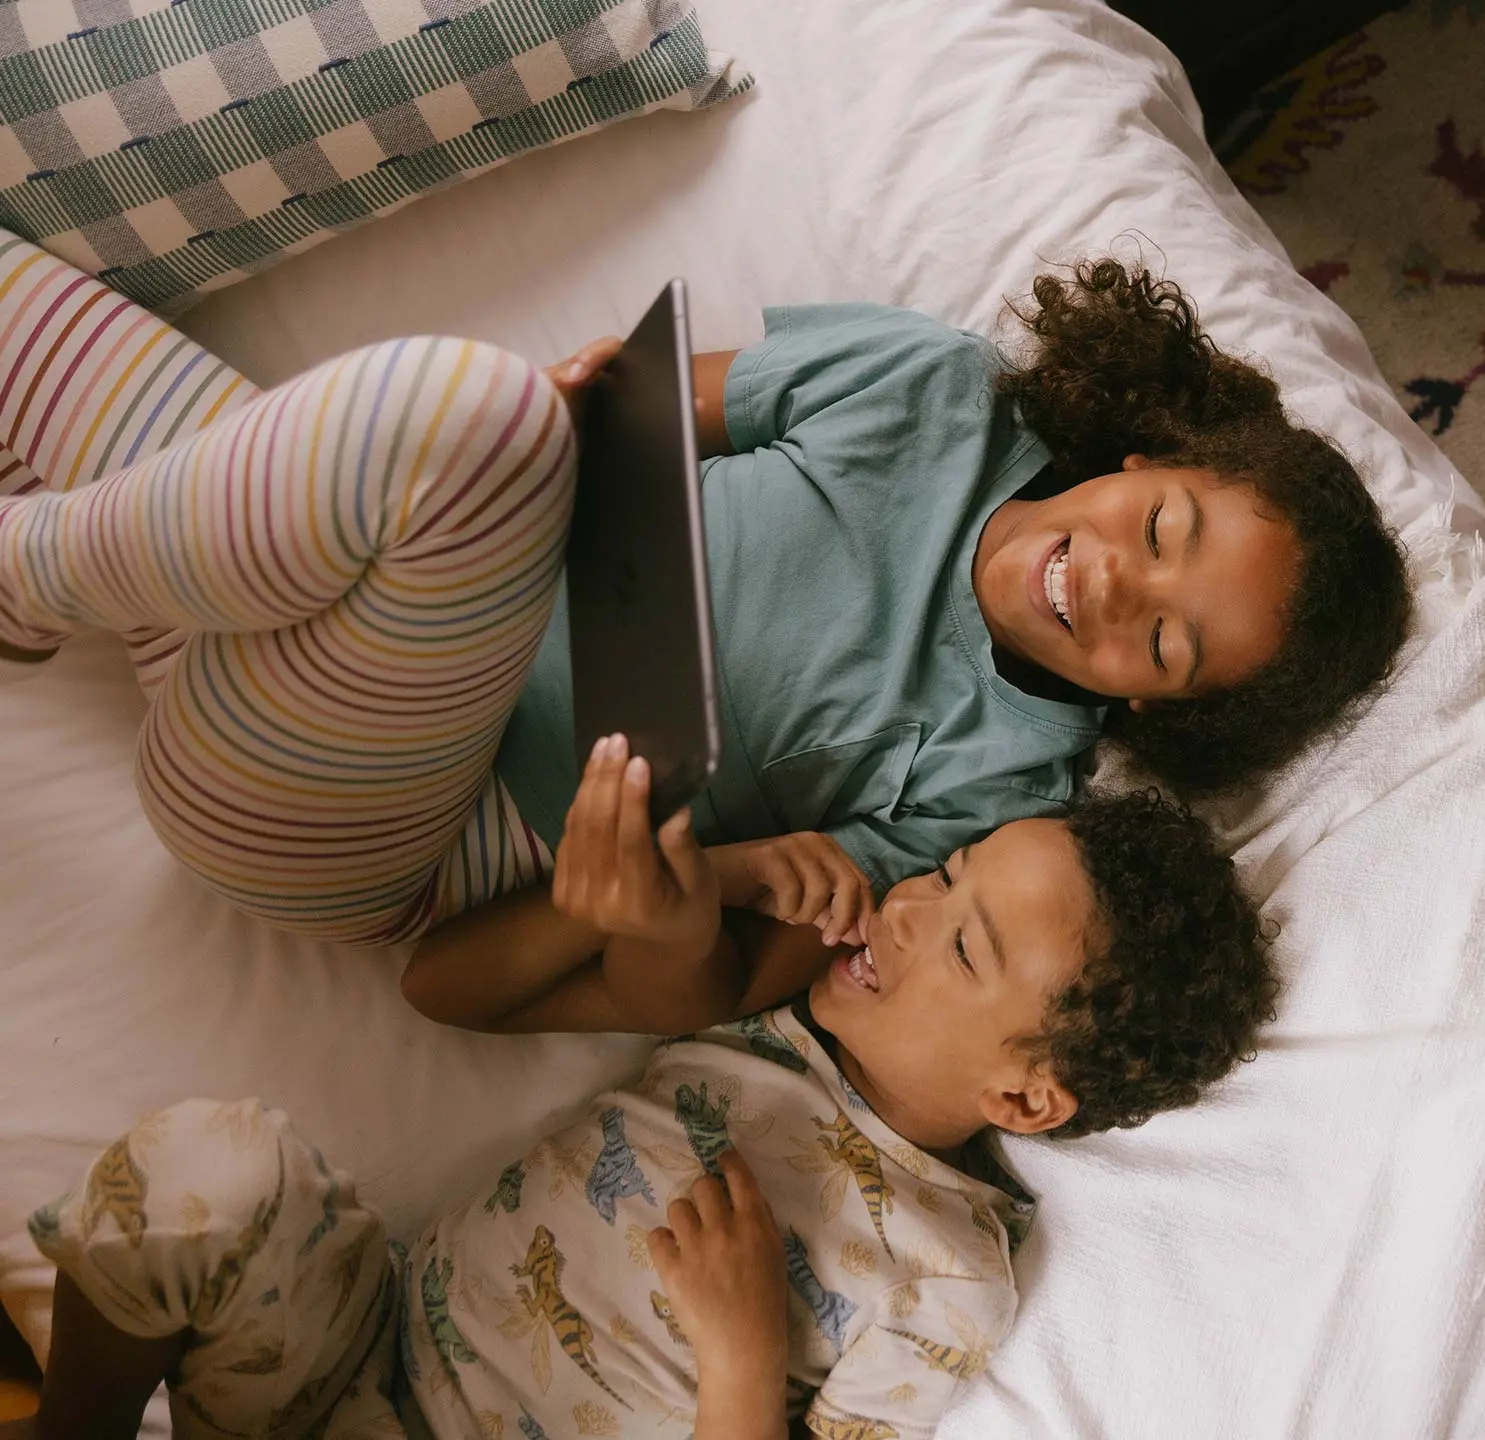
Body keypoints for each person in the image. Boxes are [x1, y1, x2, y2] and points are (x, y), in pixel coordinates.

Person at [0, 239, 1410, 964]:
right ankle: (50, 570)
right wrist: (582, 408)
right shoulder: (938, 387)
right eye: (1160, 527)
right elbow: (639, 403)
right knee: (467, 418)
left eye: (1165, 643)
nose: (1113, 584)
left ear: (1155, 708)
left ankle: (24, 571)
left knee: (462, 412)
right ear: (1150, 455)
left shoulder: (1001, 784)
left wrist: (711, 885)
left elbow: (731, 951)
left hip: (378, 822)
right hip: (268, 586)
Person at [12, 767, 1276, 1440]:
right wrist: (713, 876)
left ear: (1024, 1094)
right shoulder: (766, 1014)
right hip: (354, 1351)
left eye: (965, 945)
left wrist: (742, 1357)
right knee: (215, 1164)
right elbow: (447, 983)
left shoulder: (948, 1280)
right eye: (946, 874)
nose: (905, 906)